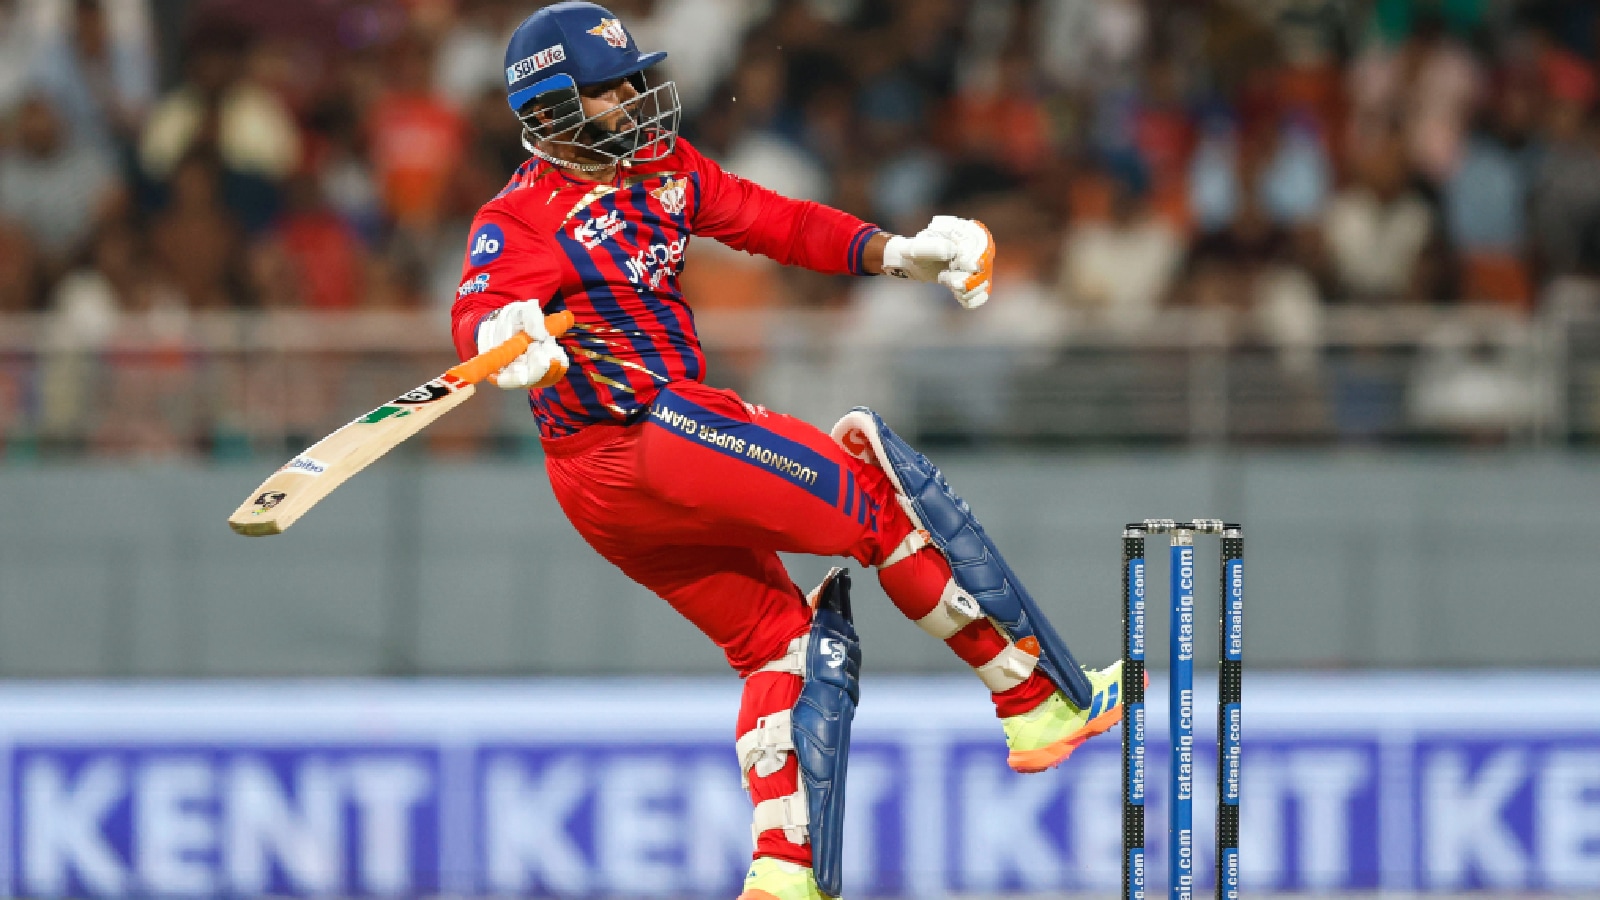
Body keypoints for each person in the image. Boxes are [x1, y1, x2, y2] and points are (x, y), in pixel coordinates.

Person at [447, 5, 1126, 898]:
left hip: (610, 478)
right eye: (608, 89)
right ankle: (1035, 703)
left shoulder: (659, 166)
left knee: (779, 643)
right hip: (651, 432)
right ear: (548, 109)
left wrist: (896, 253)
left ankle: (783, 873)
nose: (634, 99)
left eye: (629, 79)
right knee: (881, 502)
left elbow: (766, 219)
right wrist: (504, 331)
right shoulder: (519, 218)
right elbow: (479, 308)